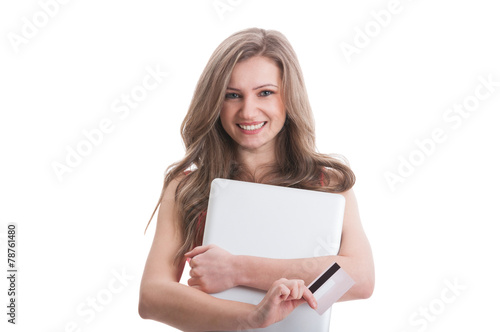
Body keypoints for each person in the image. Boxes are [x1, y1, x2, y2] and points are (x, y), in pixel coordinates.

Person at [138, 27, 374, 331]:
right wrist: (251, 318)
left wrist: (237, 270)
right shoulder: (186, 187)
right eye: (232, 95)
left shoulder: (326, 183)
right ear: (214, 103)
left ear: (289, 97)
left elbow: (359, 280)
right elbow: (152, 298)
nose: (248, 111)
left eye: (265, 93)